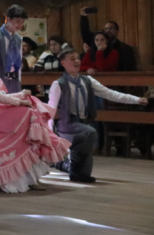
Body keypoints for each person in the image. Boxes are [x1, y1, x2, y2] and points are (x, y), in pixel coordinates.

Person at [0, 39, 70, 193]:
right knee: (27, 113)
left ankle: (30, 175)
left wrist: (20, 96)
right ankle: (22, 176)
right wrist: (17, 101)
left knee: (29, 106)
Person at [49, 50, 147, 182]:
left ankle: (59, 164)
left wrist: (135, 100)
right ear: (63, 63)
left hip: (83, 124)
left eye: (78, 58)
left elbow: (109, 93)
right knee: (90, 133)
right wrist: (49, 133)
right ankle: (71, 166)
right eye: (72, 59)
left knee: (83, 174)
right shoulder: (58, 84)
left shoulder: (87, 80)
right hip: (67, 125)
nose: (77, 61)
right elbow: (50, 109)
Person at [0, 5, 27, 94]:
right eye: (18, 21)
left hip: (14, 80)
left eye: (22, 22)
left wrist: (19, 80)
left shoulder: (18, 38)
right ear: (8, 19)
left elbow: (19, 62)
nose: (20, 25)